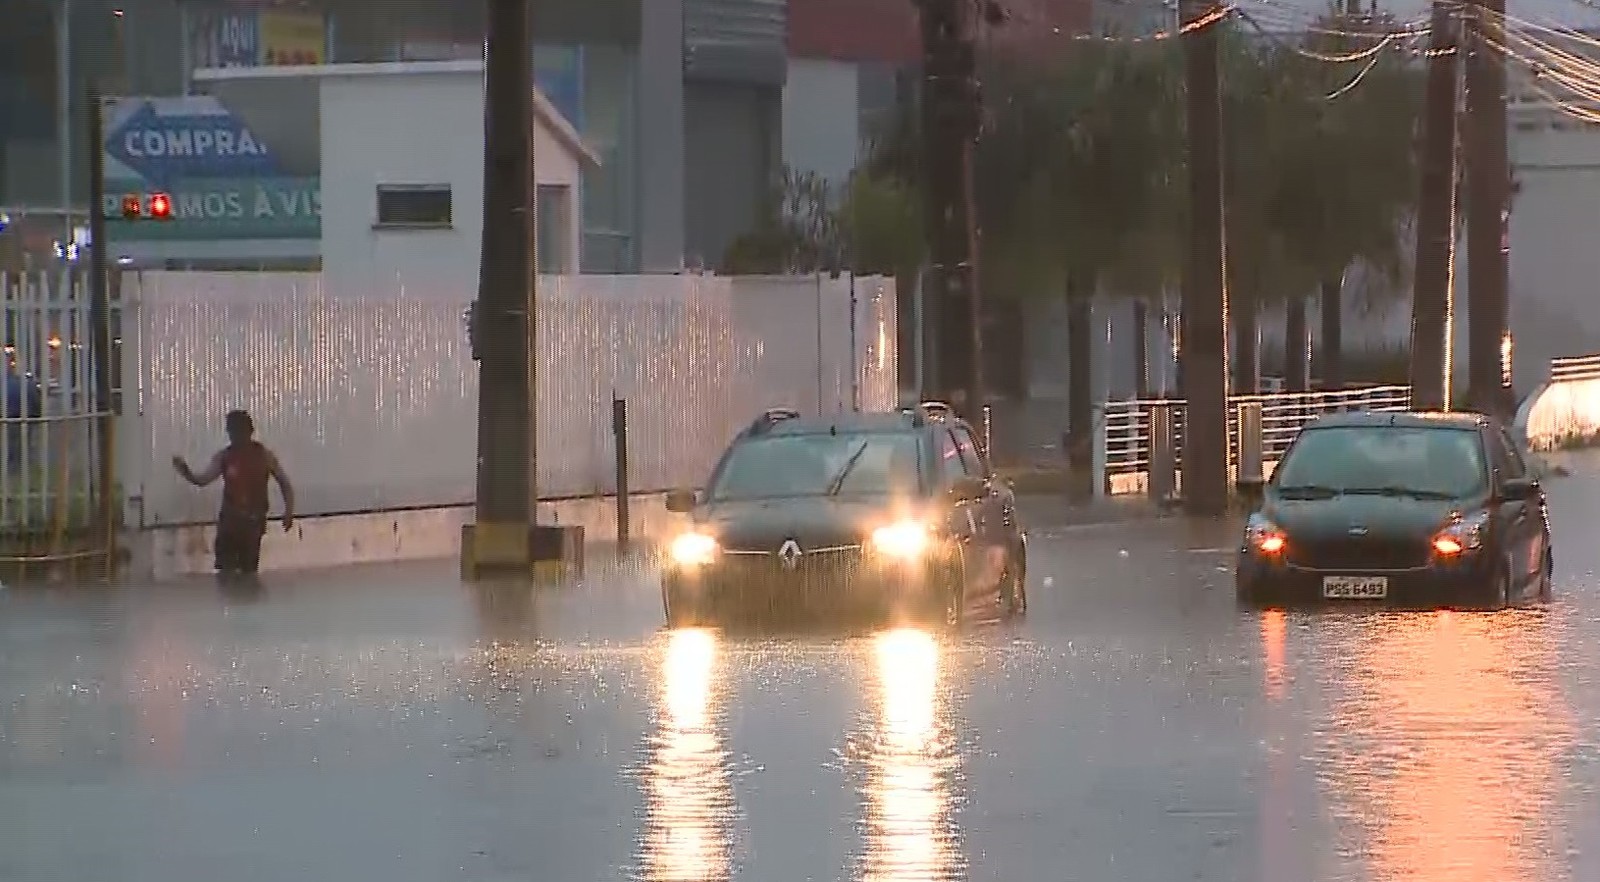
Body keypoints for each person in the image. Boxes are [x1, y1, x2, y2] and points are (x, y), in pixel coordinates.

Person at [172, 409, 294, 576]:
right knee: (226, 573)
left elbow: (285, 483)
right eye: (233, 431)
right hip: (230, 523)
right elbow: (203, 480)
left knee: (248, 573)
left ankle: (247, 598)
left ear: (250, 431)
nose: (236, 435)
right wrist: (186, 472)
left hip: (252, 523)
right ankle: (230, 600)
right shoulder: (224, 457)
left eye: (239, 430)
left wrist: (289, 512)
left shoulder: (263, 456)